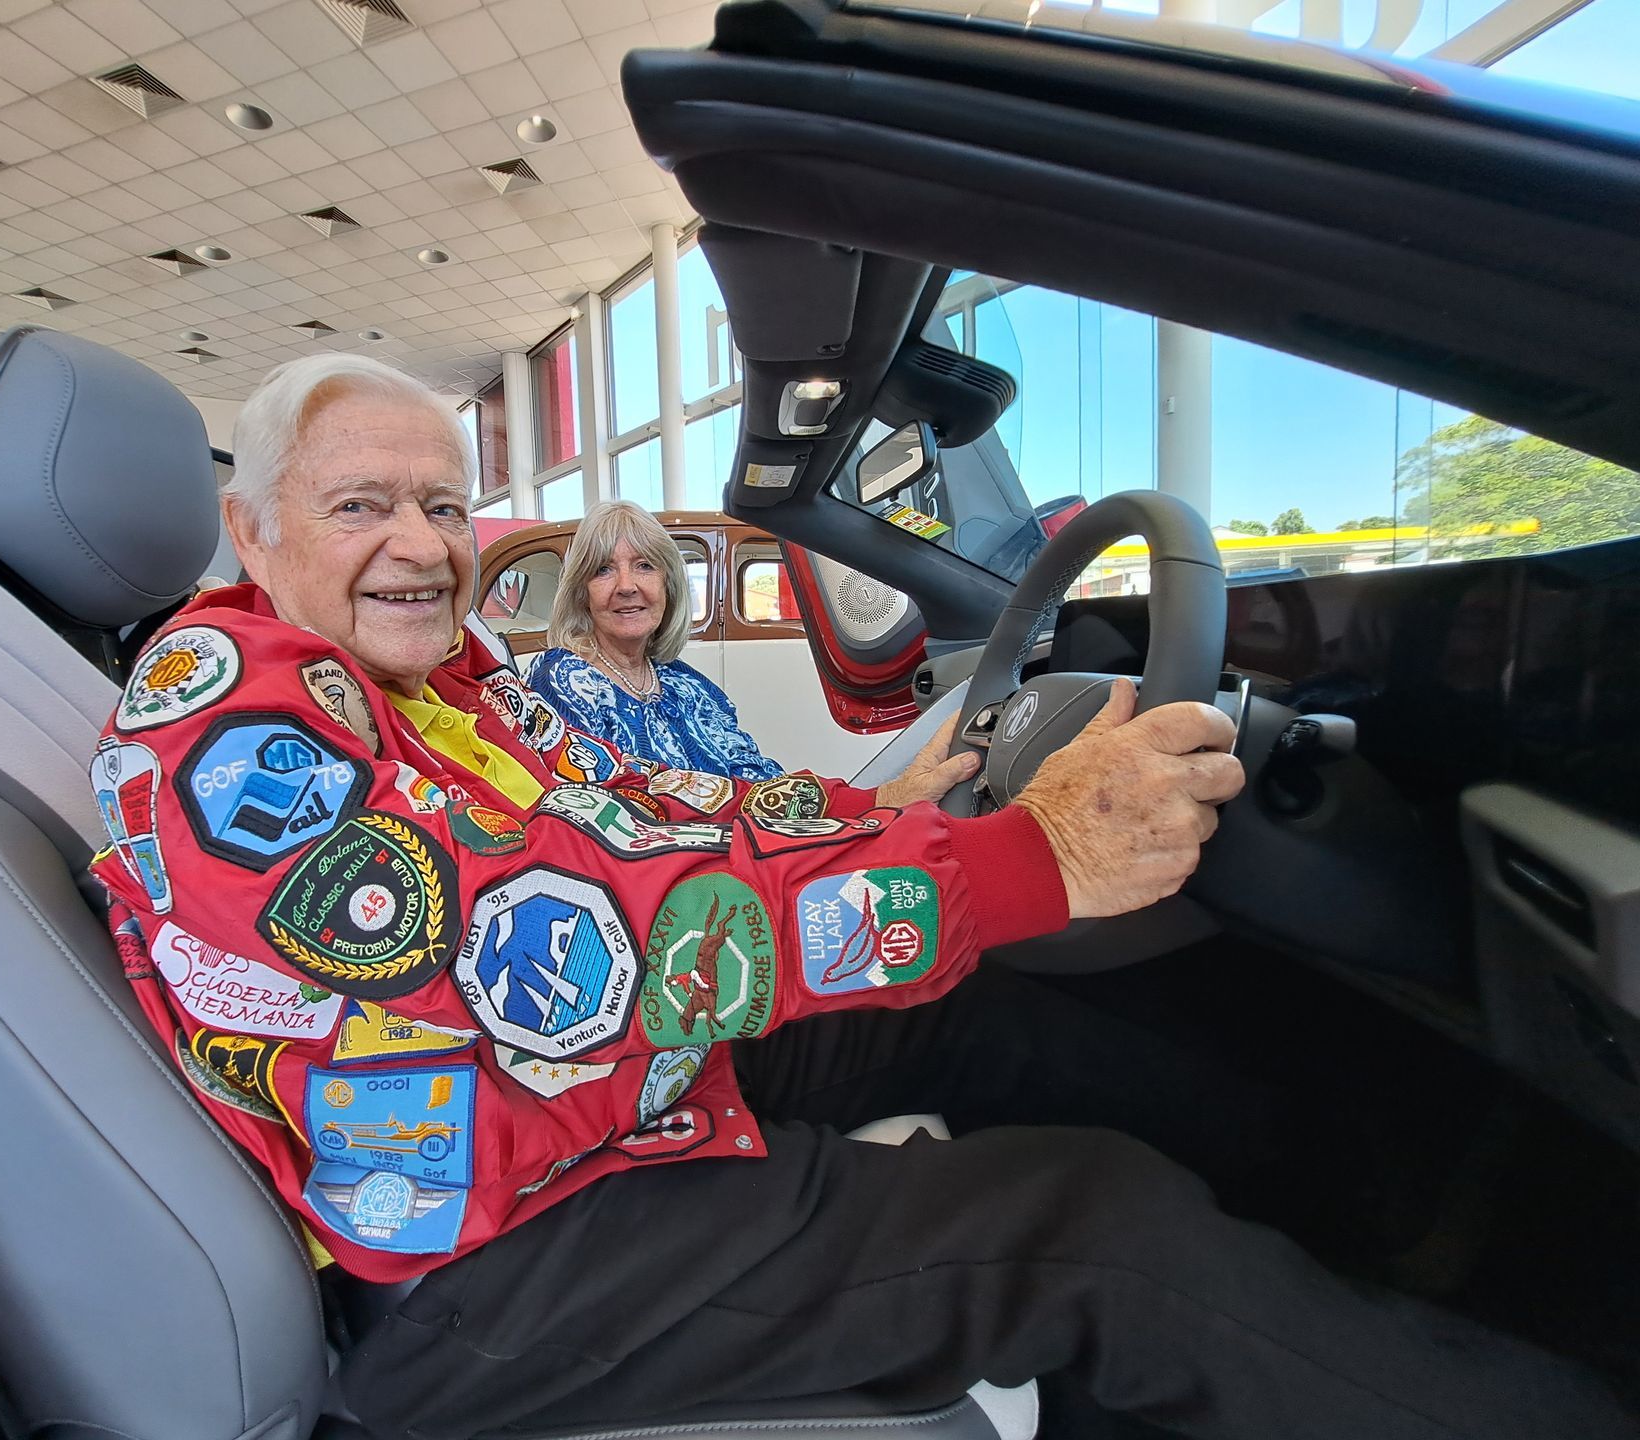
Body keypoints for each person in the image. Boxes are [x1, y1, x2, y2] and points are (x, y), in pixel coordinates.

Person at [89, 352, 1633, 1440]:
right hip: (477, 1255)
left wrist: (869, 808)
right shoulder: (223, 720)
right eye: (365, 507)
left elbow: (639, 808)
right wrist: (1032, 857)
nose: (421, 546)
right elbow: (554, 953)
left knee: (983, 1001)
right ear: (253, 526)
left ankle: (1381, 1247)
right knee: (1093, 1233)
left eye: (444, 505)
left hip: (580, 1100)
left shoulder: (435, 670)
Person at [528, 501, 782, 781]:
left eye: (644, 566)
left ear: (668, 586)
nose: (626, 586)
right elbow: (594, 804)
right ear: (582, 593)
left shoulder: (684, 681)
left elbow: (749, 766)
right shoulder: (562, 677)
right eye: (603, 570)